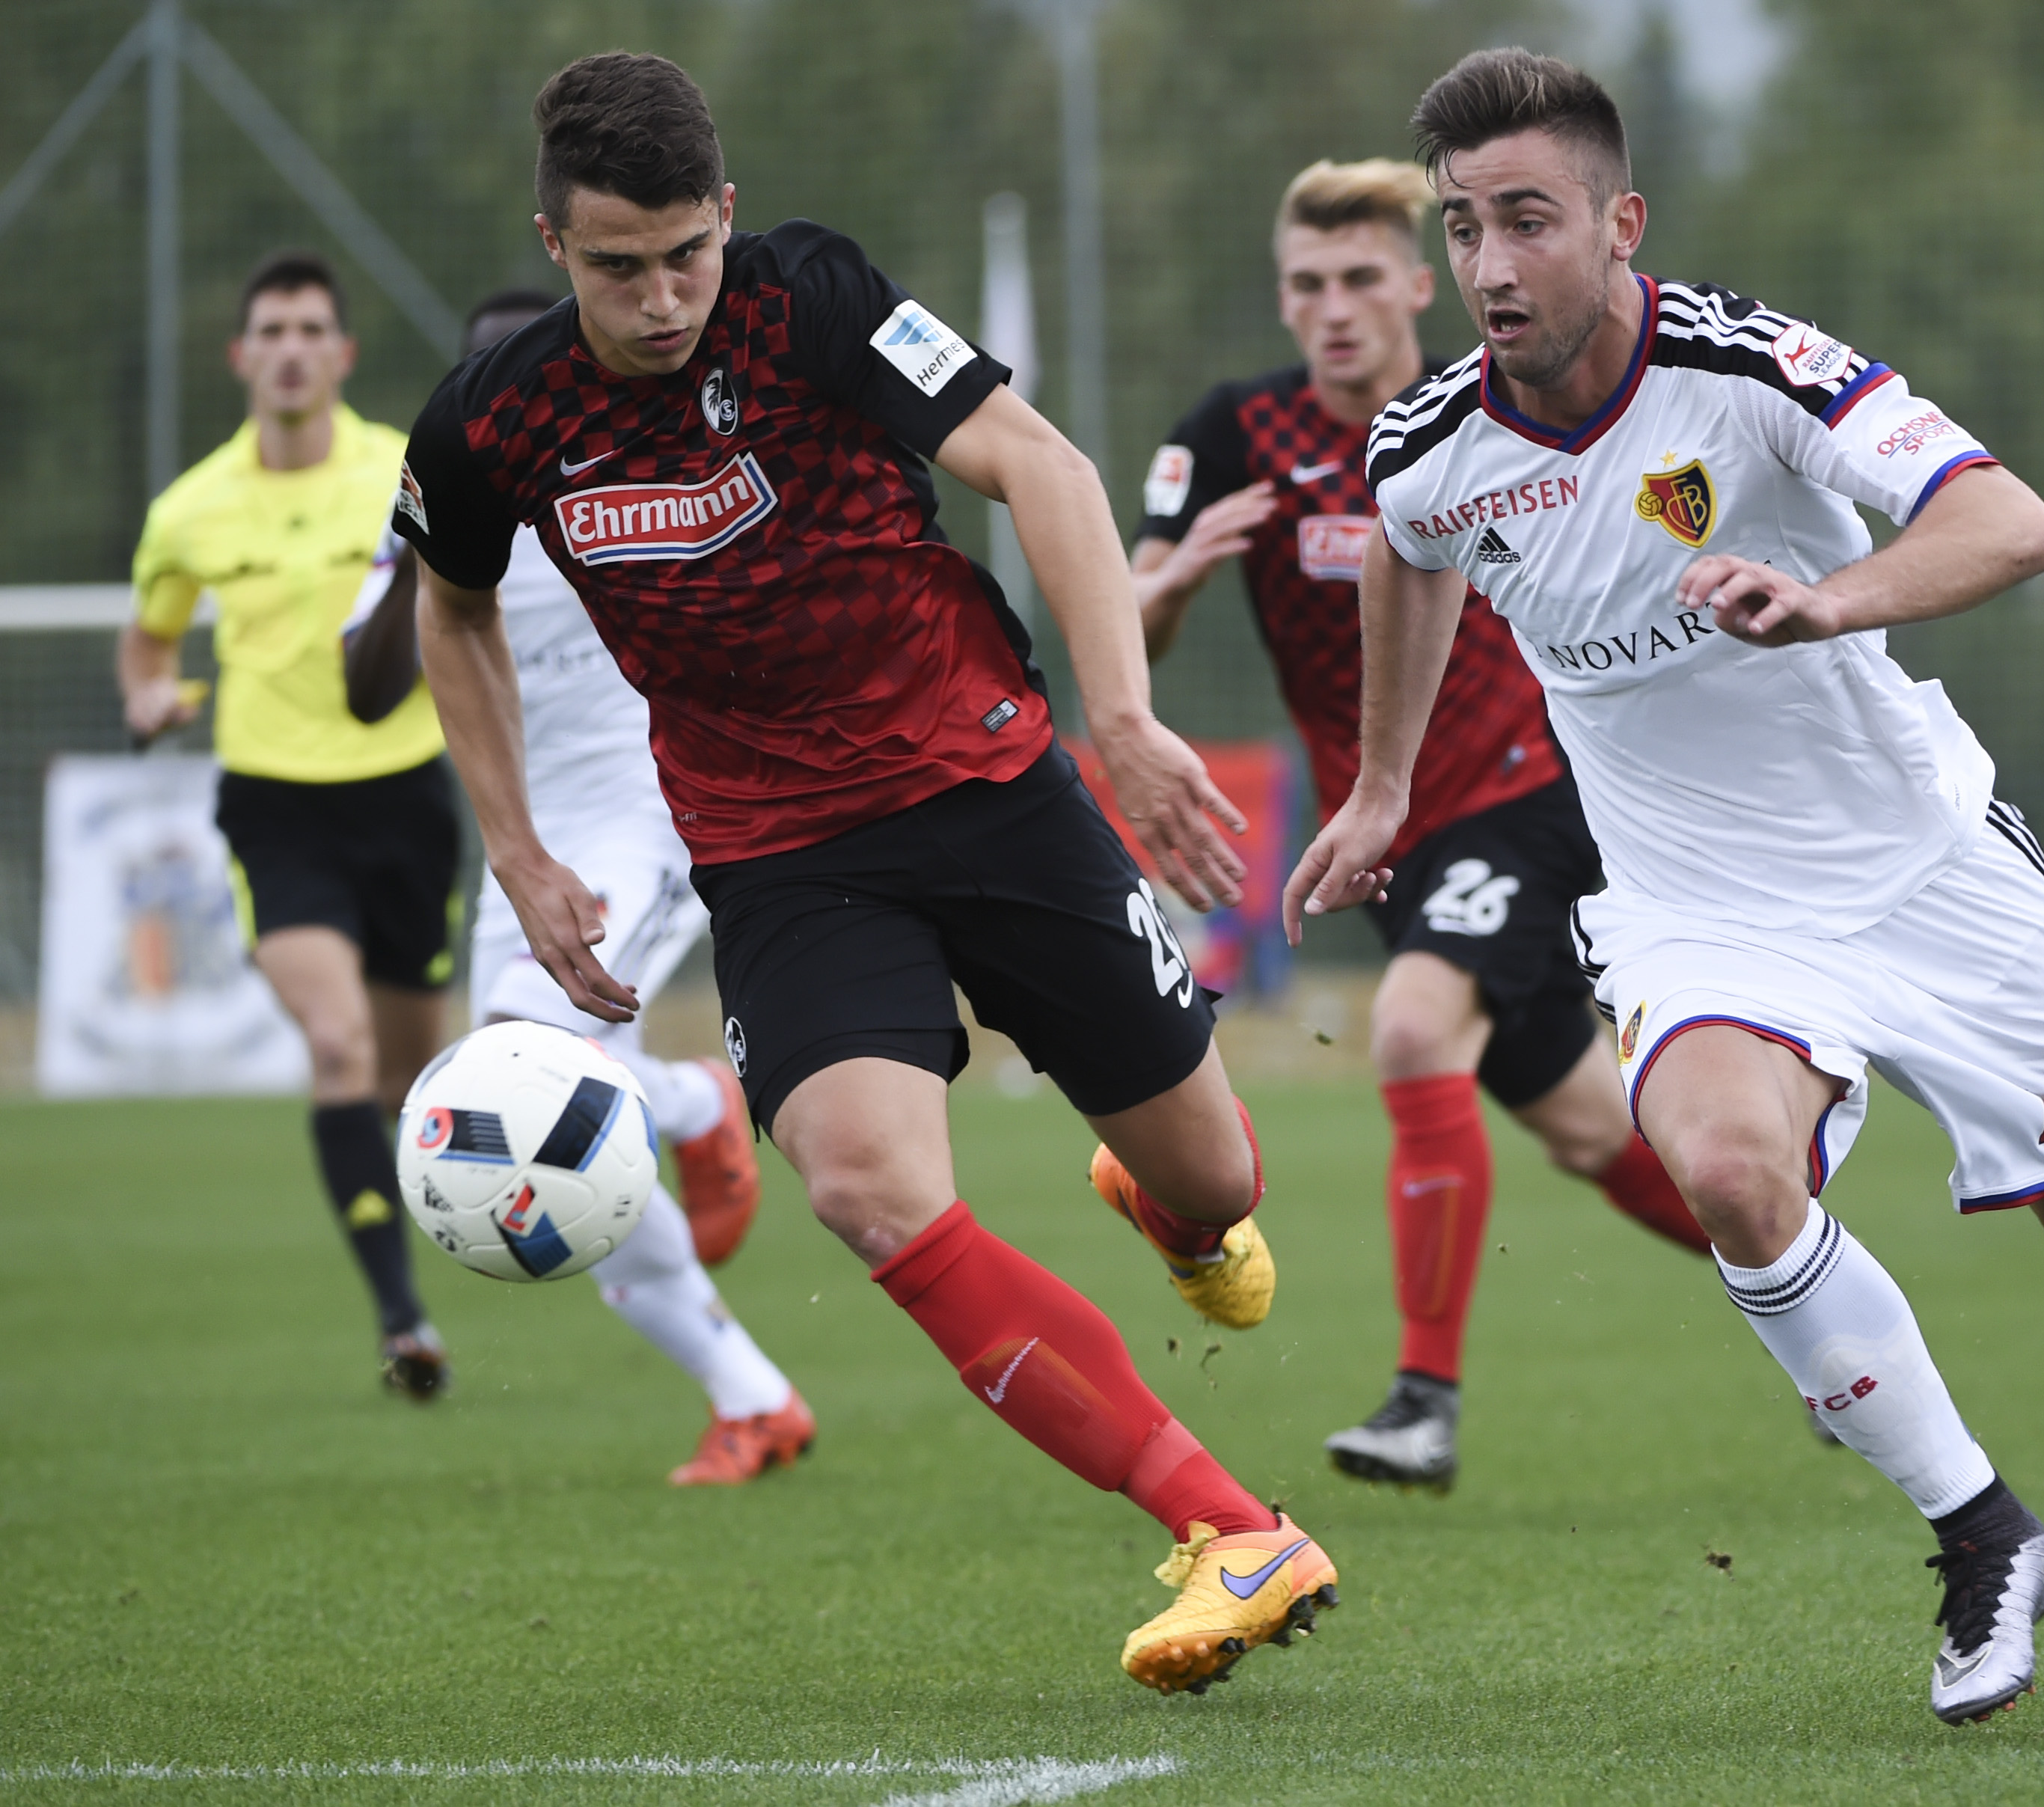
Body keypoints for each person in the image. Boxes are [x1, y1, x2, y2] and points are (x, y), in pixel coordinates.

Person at [1291, 49, 2044, 1723]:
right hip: (1700, 908)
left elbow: (2013, 521)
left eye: (1529, 220)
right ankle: (1986, 1535)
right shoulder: (1433, 444)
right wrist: (1384, 784)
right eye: (1465, 226)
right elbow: (1408, 558)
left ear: (1622, 224)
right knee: (1724, 1166)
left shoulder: (1752, 366)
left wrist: (1831, 599)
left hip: (1923, 872)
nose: (1489, 264)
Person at [393, 53, 1335, 1693]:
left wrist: (1121, 720)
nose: (664, 298)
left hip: (992, 790)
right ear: (553, 244)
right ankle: (1229, 1526)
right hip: (781, 858)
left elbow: (1043, 466)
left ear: (728, 214)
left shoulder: (810, 298)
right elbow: (451, 608)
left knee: (1218, 1179)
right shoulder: (494, 417)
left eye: (687, 253)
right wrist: (517, 848)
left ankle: (1171, 1206)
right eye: (619, 267)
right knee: (864, 1185)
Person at [1132, 158, 1710, 1493]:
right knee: (1590, 1129)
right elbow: (1130, 627)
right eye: (1306, 285)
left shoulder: (1486, 410)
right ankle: (1814, 1280)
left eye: (1358, 280)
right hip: (1389, 837)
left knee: (1407, 1027)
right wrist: (1174, 578)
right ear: (1284, 300)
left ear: (1412, 286)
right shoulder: (1232, 433)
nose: (1332, 309)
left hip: (1528, 791)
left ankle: (1422, 1404)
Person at [341, 289, 805, 1484]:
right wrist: (418, 547)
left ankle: (697, 1124)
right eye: (486, 381)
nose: (516, 399)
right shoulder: (437, 498)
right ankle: (751, 1385)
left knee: (525, 1087)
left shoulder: (629, 467)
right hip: (522, 850)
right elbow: (365, 689)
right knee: (565, 1137)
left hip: (647, 817)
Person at [122, 251, 456, 1401]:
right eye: (272, 331)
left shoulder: (402, 471)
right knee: (338, 1046)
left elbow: (470, 599)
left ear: (344, 353)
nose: (292, 350)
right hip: (275, 805)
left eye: (313, 329)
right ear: (241, 356)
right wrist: (147, 695)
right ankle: (403, 1322)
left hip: (406, 795)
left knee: (409, 1081)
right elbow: (149, 638)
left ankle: (469, 1228)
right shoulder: (191, 509)